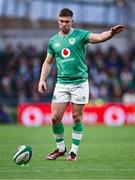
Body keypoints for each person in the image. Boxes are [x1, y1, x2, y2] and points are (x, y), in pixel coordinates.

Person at [38, 8, 125, 161]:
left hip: (79, 83)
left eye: (67, 21)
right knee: (54, 118)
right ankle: (60, 149)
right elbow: (48, 62)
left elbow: (99, 37)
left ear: (72, 21)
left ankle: (73, 152)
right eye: (61, 21)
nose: (64, 24)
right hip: (62, 83)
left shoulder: (81, 35)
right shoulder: (53, 41)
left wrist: (111, 32)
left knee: (77, 118)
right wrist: (42, 79)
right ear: (58, 21)